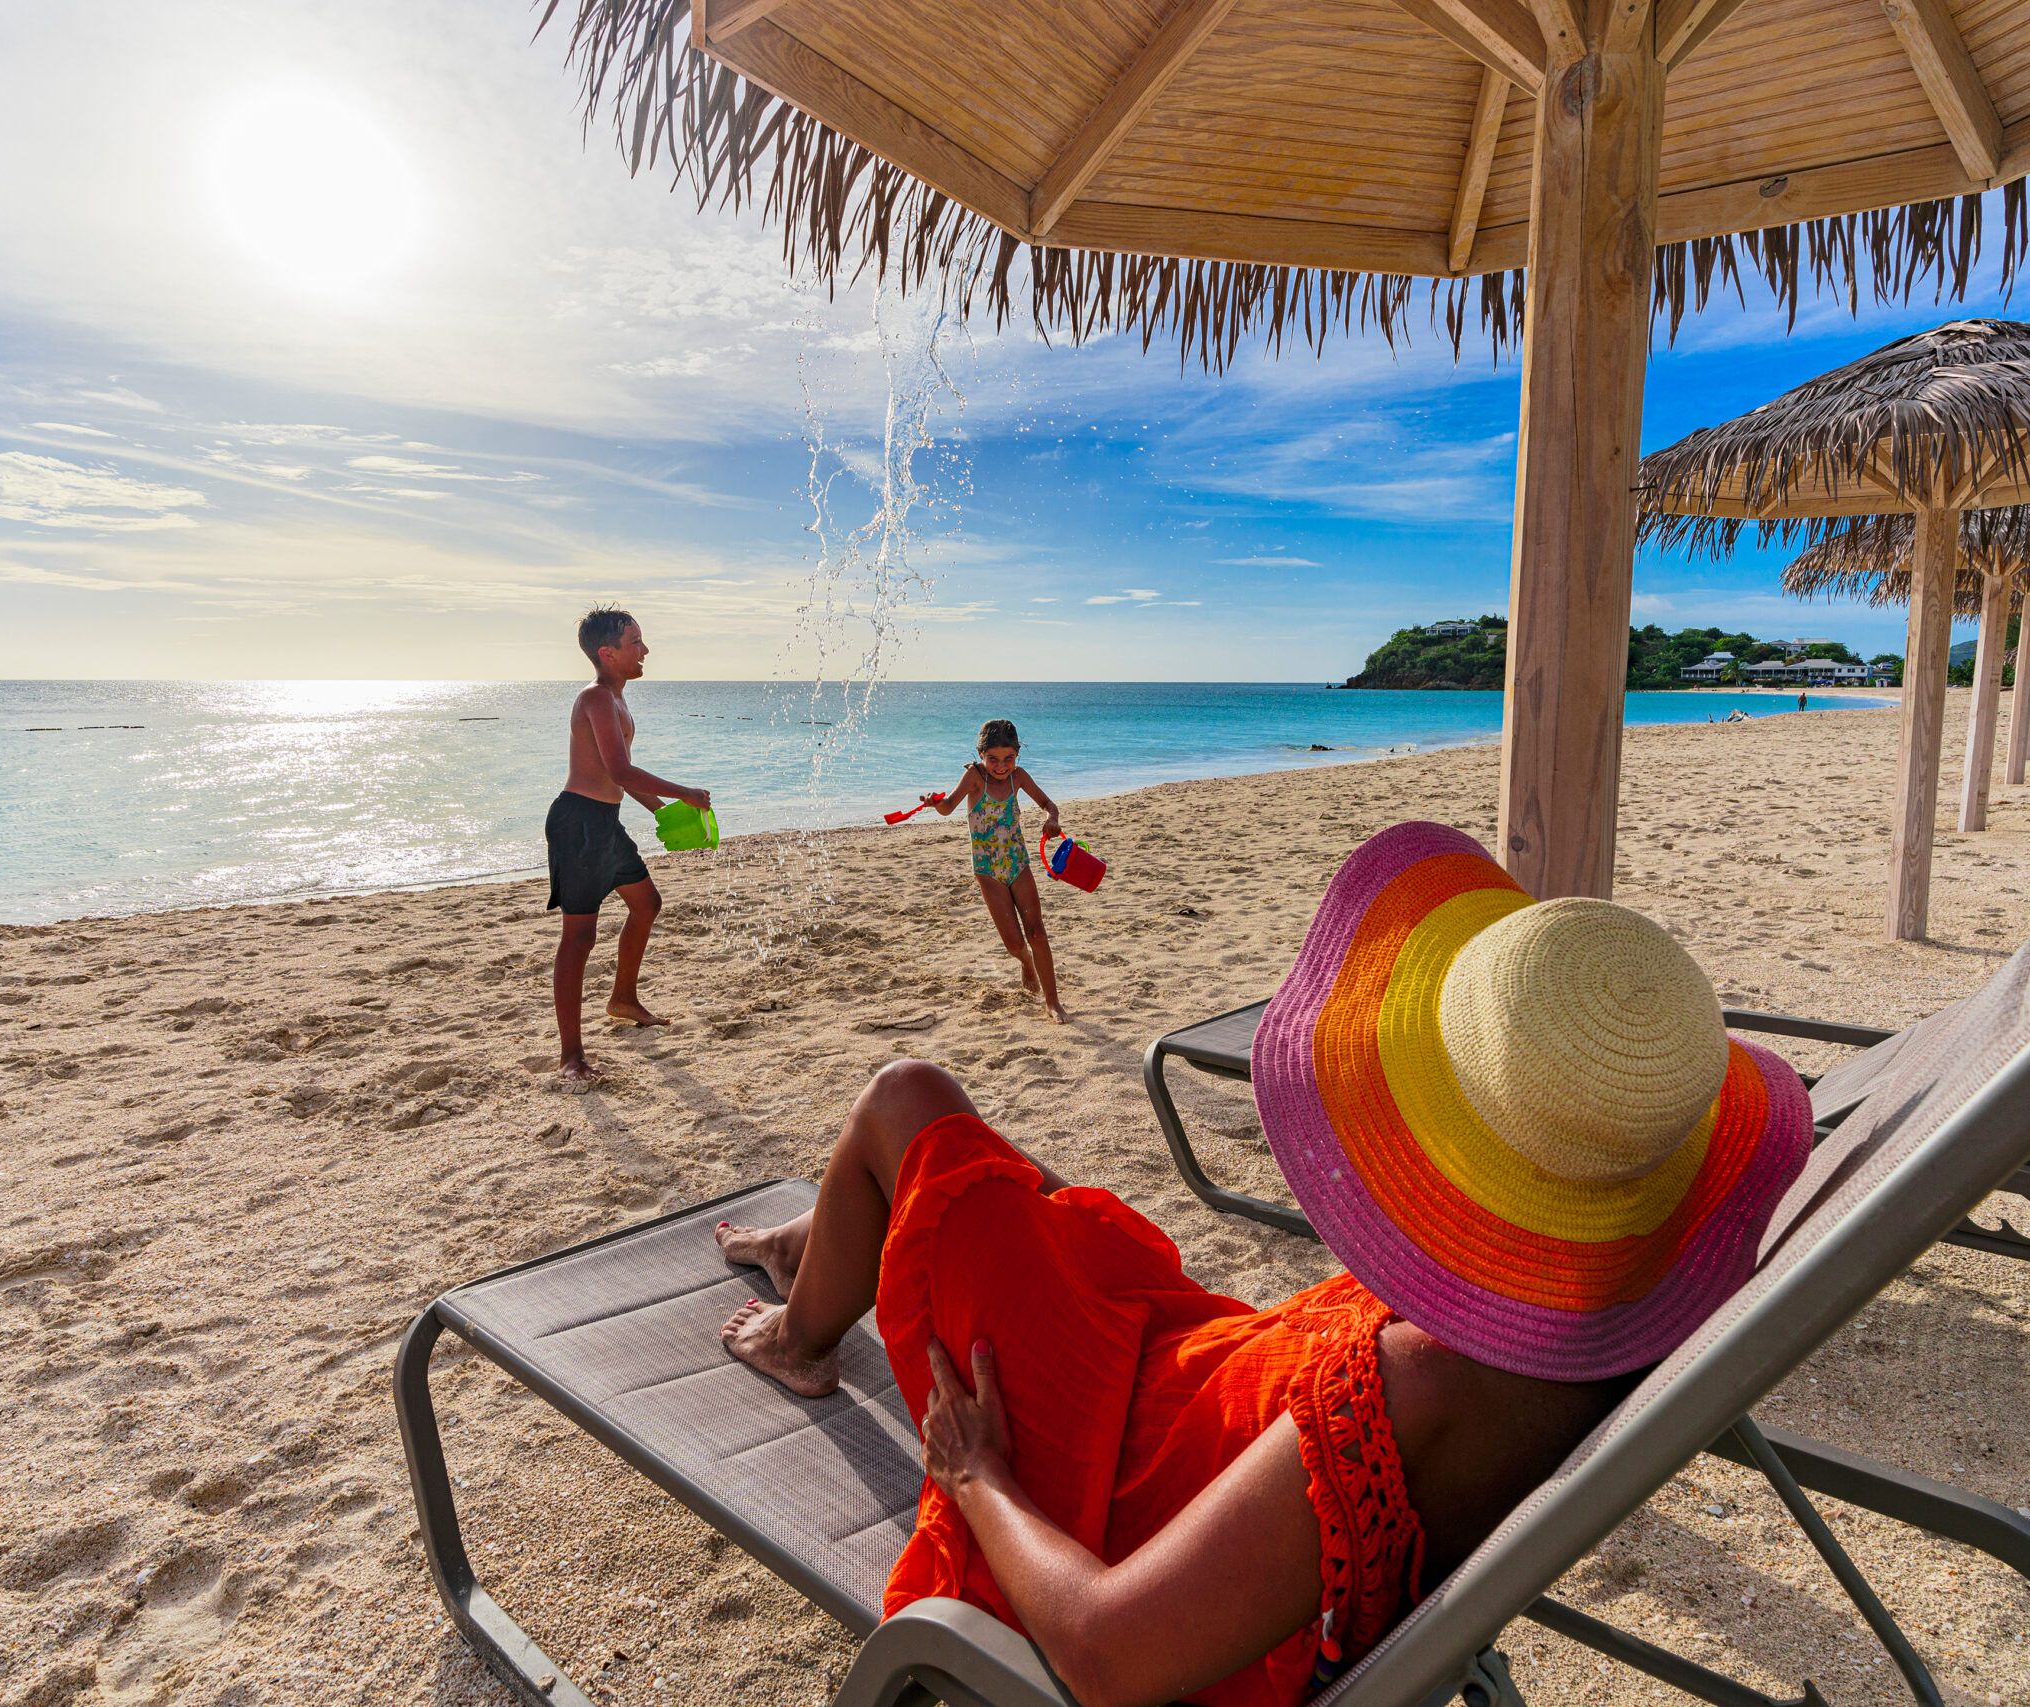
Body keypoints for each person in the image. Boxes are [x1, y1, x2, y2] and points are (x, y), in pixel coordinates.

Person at [714, 821, 1810, 1707]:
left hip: (1123, 1474)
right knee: (1020, 1198)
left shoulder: (1416, 1387)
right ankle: (826, 1239)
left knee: (909, 1100)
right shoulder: (1610, 1308)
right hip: (1205, 1371)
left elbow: (1105, 1652)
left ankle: (805, 1334)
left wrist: (976, 1476)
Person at [547, 607, 711, 1081]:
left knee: (647, 904)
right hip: (577, 824)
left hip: (605, 821)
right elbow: (619, 772)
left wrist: (664, 810)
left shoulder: (618, 702)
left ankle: (622, 999)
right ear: (608, 653)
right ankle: (571, 1056)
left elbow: (618, 777)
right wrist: (686, 793)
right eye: (636, 641)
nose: (644, 649)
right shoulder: (596, 699)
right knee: (579, 938)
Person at [923, 719, 1067, 1021]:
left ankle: (1052, 1001)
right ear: (980, 755)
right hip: (988, 870)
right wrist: (934, 803)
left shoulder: (1019, 777)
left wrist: (1051, 819)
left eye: (1009, 758)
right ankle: (1026, 962)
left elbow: (1048, 804)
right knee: (1015, 943)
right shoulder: (974, 778)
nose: (1001, 766)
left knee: (1037, 932)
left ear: (1017, 754)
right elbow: (949, 806)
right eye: (993, 759)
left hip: (1018, 863)